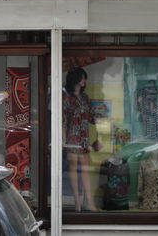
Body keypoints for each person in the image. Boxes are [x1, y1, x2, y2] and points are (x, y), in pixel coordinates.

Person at [63, 67, 99, 212]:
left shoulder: (85, 98)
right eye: (83, 78)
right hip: (72, 138)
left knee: (85, 170)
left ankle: (89, 201)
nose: (85, 81)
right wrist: (63, 140)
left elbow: (92, 117)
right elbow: (63, 121)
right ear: (76, 79)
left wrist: (102, 124)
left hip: (84, 138)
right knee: (73, 170)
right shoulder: (66, 99)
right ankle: (77, 202)